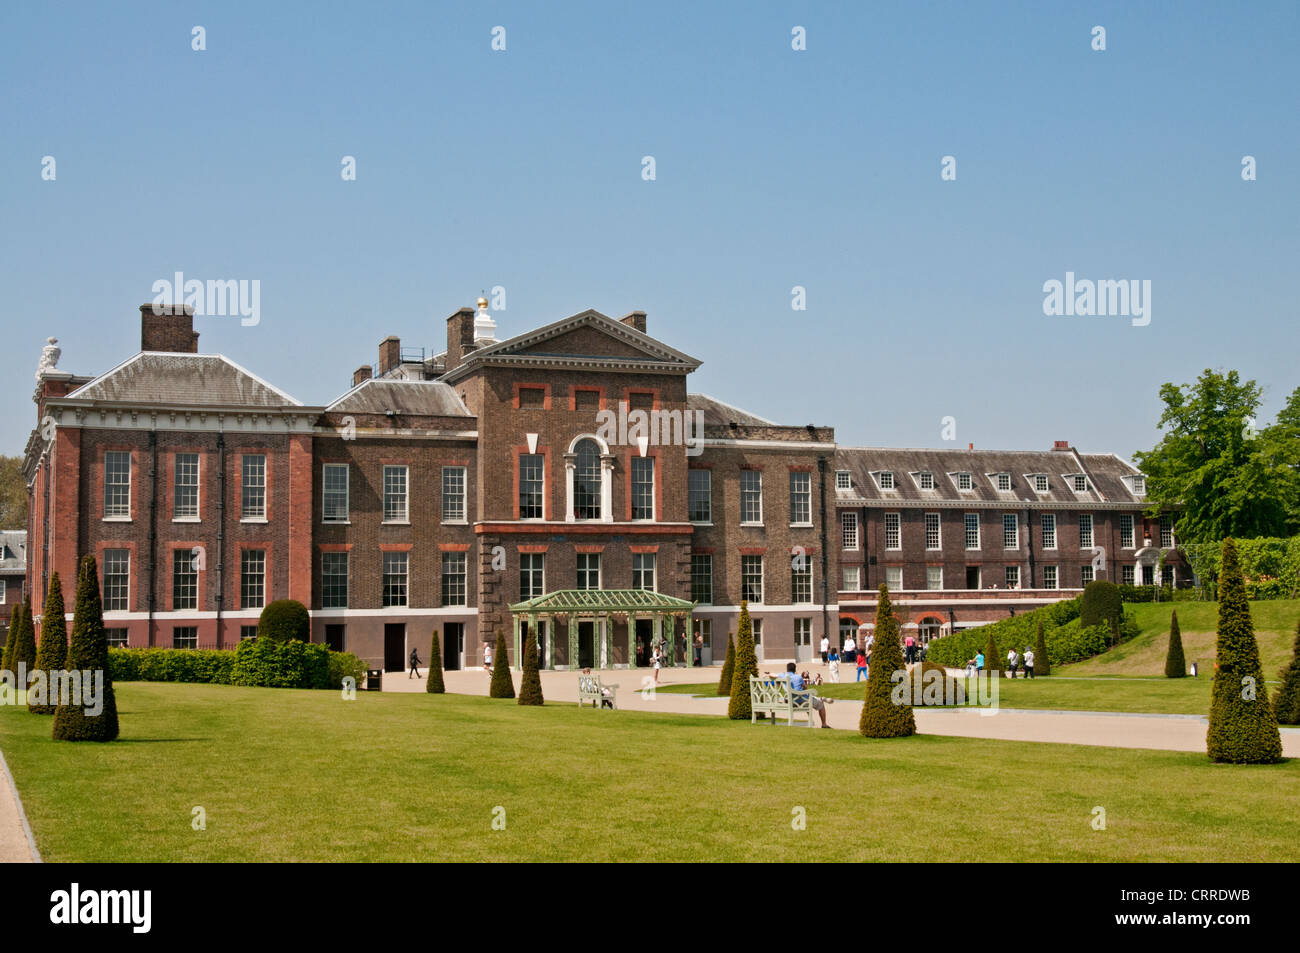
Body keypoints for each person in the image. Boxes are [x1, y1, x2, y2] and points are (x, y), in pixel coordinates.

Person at [765, 662, 829, 727]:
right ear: (795, 669)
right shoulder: (799, 677)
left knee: (808, 701)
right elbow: (805, 687)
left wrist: (768, 675)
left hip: (791, 701)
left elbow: (772, 674)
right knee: (820, 703)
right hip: (801, 701)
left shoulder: (783, 676)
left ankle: (811, 719)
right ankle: (824, 724)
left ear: (787, 669)